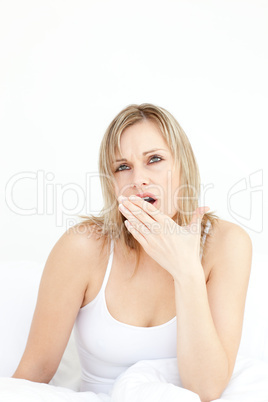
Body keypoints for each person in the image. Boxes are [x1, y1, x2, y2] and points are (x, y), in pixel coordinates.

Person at [12, 103, 252, 402]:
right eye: (122, 167)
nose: (138, 179)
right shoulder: (82, 247)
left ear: (183, 166)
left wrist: (186, 271)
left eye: (154, 159)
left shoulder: (227, 243)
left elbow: (205, 388)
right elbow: (34, 373)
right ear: (112, 184)